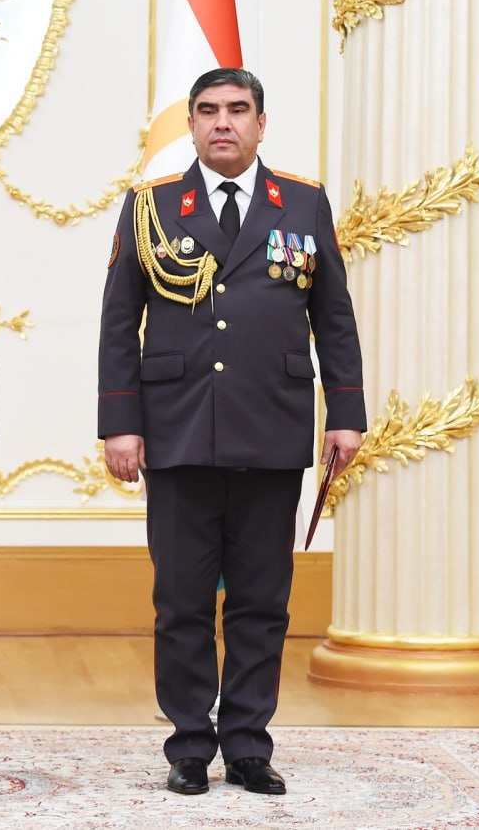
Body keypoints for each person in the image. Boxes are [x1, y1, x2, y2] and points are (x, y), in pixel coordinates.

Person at [97, 67, 366, 796]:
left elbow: (333, 316)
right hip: (177, 429)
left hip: (271, 427)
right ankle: (189, 744)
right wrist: (120, 423)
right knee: (181, 601)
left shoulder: (302, 202)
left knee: (261, 600)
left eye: (238, 110)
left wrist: (346, 412)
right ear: (190, 125)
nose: (223, 122)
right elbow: (120, 321)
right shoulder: (152, 206)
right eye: (209, 110)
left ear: (261, 123)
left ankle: (248, 744)